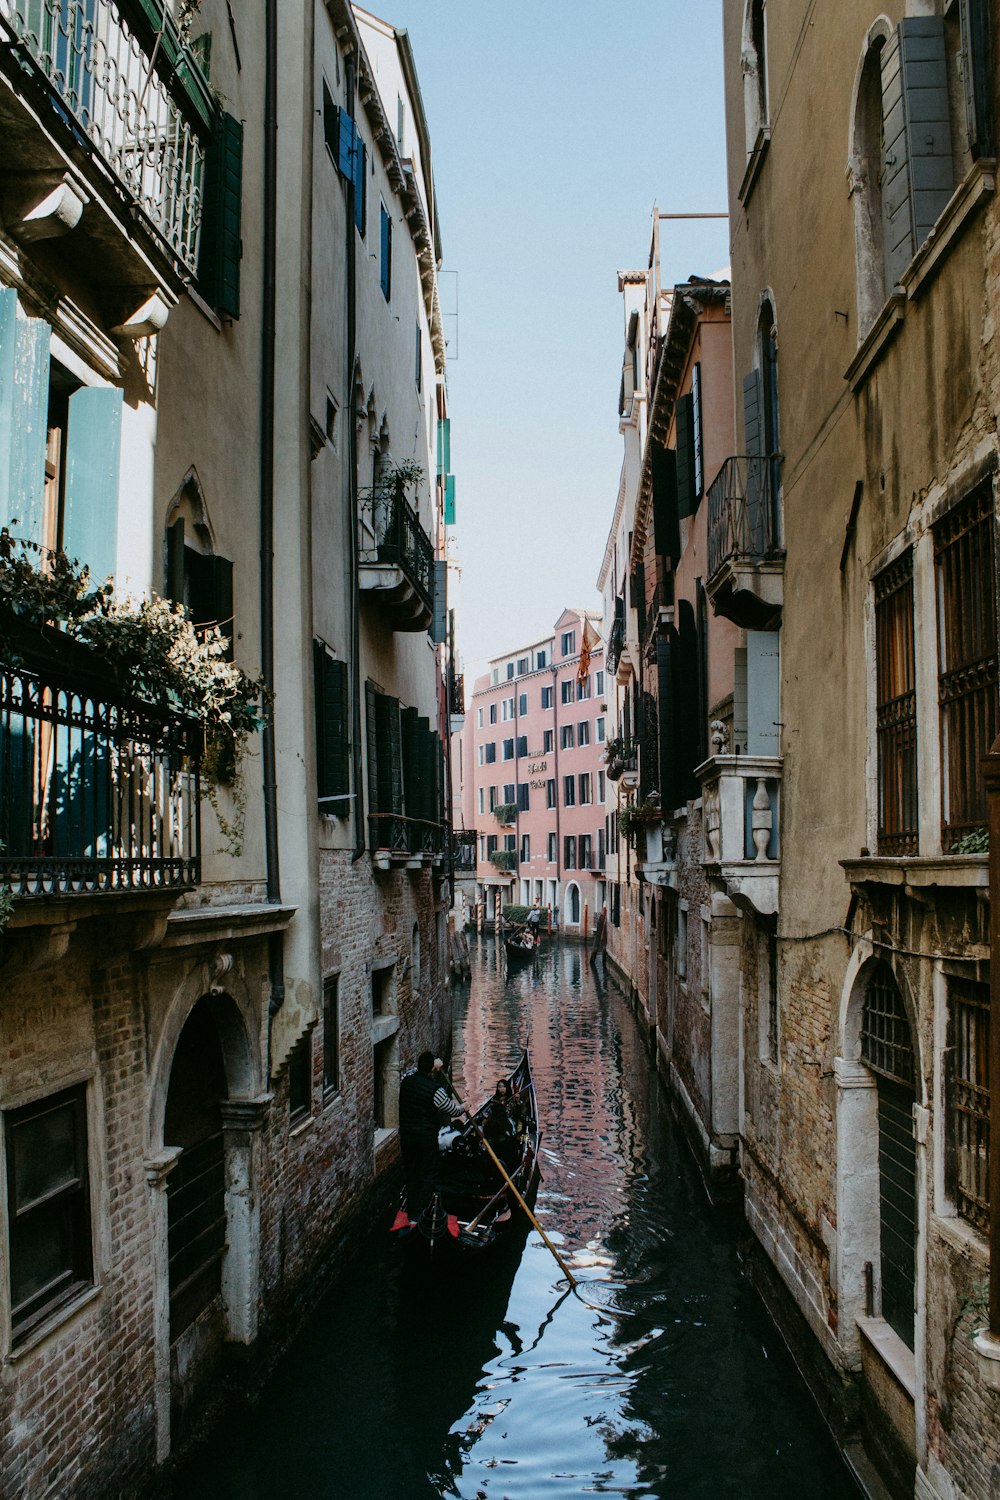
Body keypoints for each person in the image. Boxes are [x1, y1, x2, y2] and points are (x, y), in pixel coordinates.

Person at [398, 1052, 463, 1218]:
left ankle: (411, 1210)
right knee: (428, 1173)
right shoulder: (435, 1090)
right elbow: (452, 1110)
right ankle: (419, 1214)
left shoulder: (406, 1080)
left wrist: (432, 1064)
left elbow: (412, 1071)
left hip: (406, 1137)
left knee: (412, 1172)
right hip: (426, 1138)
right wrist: (465, 1107)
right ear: (433, 1068)